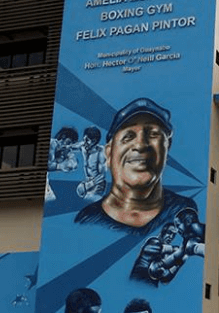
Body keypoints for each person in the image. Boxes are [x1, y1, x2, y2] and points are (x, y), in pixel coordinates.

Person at [74, 98, 196, 234]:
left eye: (153, 134)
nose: (140, 145)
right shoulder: (87, 220)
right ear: (108, 154)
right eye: (128, 136)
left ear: (167, 149)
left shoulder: (183, 211)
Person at [76, 126, 107, 199]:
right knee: (79, 191)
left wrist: (88, 185)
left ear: (94, 141)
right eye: (84, 139)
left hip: (98, 185)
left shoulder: (101, 152)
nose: (84, 142)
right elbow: (70, 146)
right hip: (88, 182)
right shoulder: (84, 146)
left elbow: (101, 176)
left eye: (87, 140)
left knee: (88, 200)